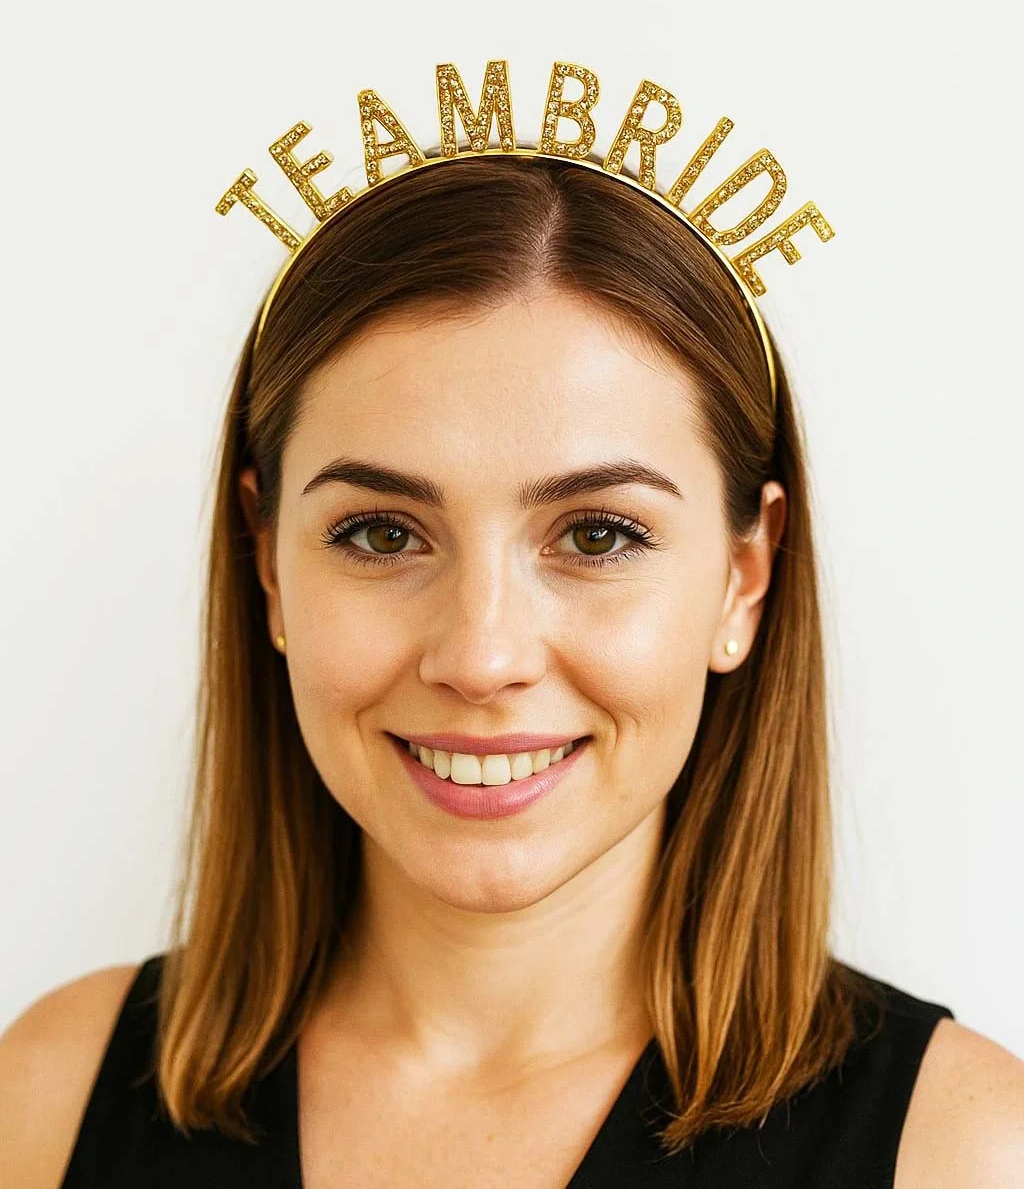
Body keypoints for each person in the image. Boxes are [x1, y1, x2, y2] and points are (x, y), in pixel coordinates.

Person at [2, 147, 1022, 1189]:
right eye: (382, 534)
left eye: (597, 536)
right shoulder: (47, 1097)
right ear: (268, 565)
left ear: (742, 579)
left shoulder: (963, 1152)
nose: (481, 657)